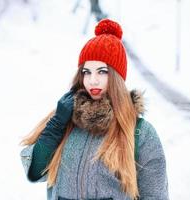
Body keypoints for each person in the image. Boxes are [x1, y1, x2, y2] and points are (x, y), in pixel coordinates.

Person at [20, 19, 169, 200]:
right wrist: (56, 125)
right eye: (86, 72)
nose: (92, 80)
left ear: (116, 77)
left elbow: (155, 196)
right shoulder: (64, 119)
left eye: (102, 71)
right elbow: (35, 172)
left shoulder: (141, 133)